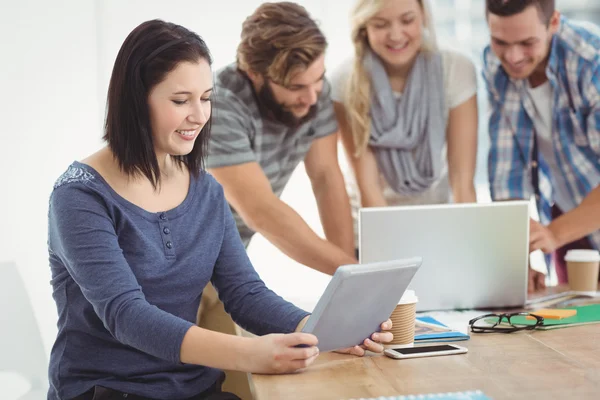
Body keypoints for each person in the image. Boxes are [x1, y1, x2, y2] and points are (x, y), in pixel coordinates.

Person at [47, 19, 391, 400]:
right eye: (181, 101)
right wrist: (252, 353)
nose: (199, 115)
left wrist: (321, 330)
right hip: (107, 391)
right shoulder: (79, 196)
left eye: (206, 97)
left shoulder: (205, 189)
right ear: (135, 98)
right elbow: (126, 315)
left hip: (194, 390)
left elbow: (244, 292)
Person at [206, 2, 356, 273]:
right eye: (295, 87)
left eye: (318, 79)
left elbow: (325, 177)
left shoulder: (314, 93)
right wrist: (354, 272)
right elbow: (261, 211)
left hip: (226, 256)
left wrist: (350, 278)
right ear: (253, 73)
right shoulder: (219, 106)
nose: (312, 98)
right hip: (170, 258)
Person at [331, 0, 479, 247]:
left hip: (438, 230)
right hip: (375, 234)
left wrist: (468, 248)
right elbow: (369, 189)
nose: (396, 35)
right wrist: (397, 258)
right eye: (380, 25)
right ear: (363, 27)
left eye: (407, 20)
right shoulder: (346, 81)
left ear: (424, 16)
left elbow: (462, 182)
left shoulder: (455, 70)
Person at [483, 0, 600, 290]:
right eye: (500, 41)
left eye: (527, 42)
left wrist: (554, 233)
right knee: (575, 324)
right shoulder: (494, 63)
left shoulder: (592, 61)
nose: (512, 56)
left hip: (577, 217)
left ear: (554, 22)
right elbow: (507, 169)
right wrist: (516, 256)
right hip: (564, 210)